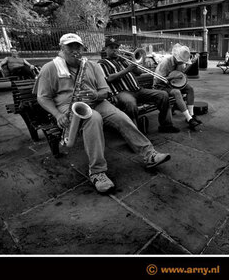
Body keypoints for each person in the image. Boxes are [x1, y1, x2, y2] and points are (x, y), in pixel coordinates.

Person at [34, 33, 171, 193]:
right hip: (69, 107)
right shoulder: (49, 68)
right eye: (70, 46)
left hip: (97, 101)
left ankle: (149, 154)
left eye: (78, 46)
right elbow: (42, 98)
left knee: (120, 117)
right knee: (94, 119)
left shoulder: (92, 65)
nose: (75, 50)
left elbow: (105, 91)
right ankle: (97, 172)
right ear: (61, 48)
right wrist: (57, 115)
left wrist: (96, 95)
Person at [98, 38, 180, 134]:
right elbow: (109, 78)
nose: (115, 50)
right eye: (112, 48)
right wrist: (127, 69)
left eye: (116, 47)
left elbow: (138, 72)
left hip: (138, 90)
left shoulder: (123, 60)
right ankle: (135, 131)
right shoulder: (102, 63)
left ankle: (166, 126)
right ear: (105, 49)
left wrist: (134, 64)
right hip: (122, 92)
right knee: (130, 103)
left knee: (163, 95)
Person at [153, 43, 202, 130]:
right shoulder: (166, 62)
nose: (182, 63)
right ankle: (189, 119)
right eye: (181, 61)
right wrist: (173, 77)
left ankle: (192, 114)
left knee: (190, 89)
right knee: (177, 92)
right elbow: (158, 80)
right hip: (160, 86)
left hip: (172, 84)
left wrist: (191, 64)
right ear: (176, 57)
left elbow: (181, 73)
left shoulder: (179, 62)